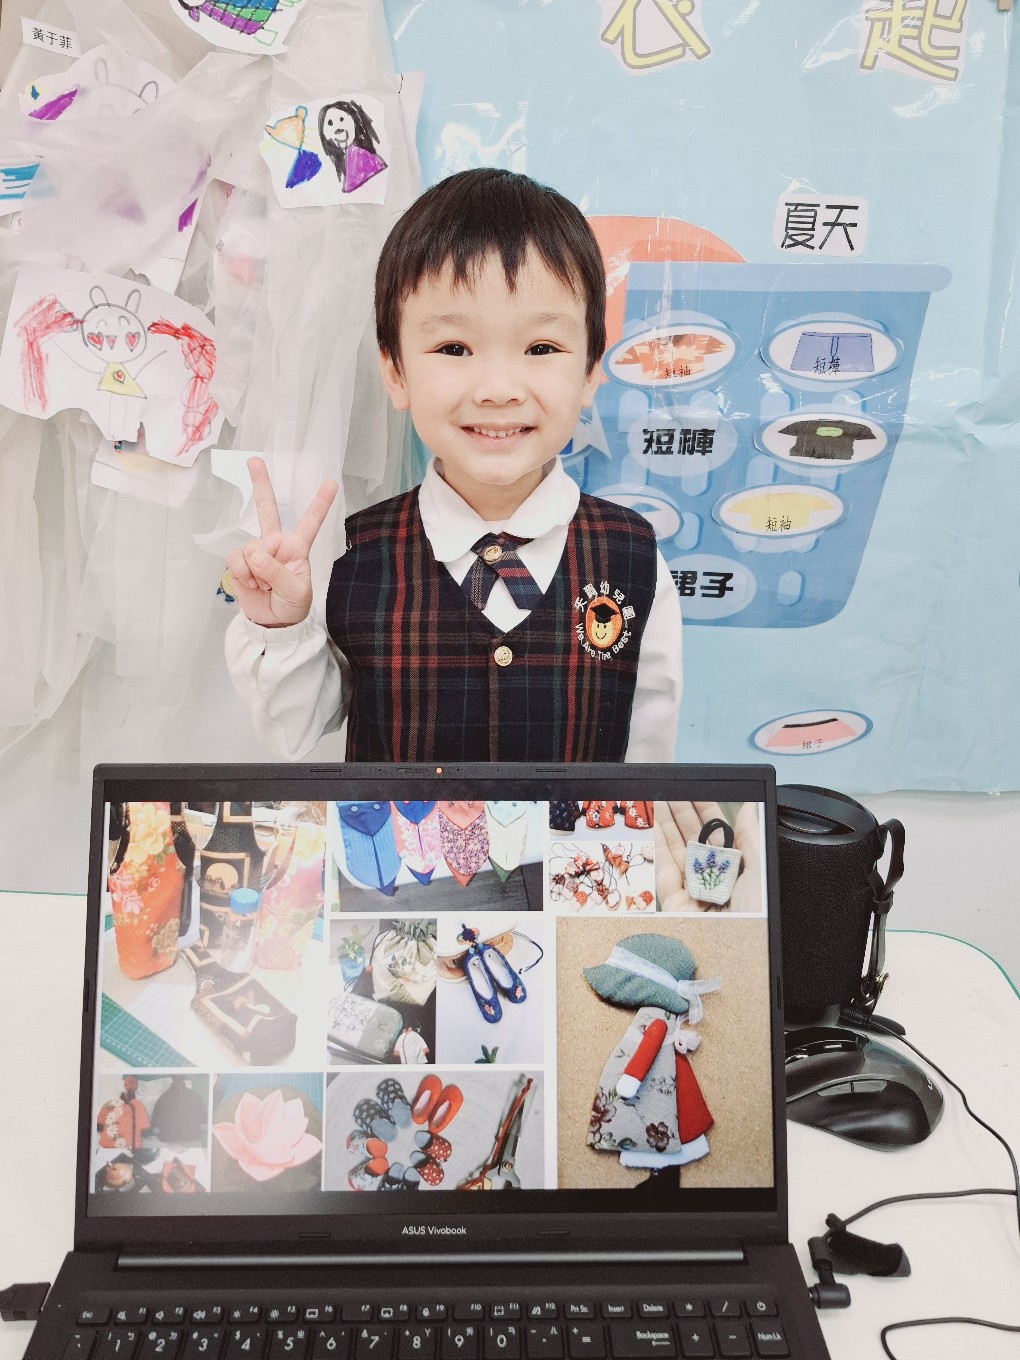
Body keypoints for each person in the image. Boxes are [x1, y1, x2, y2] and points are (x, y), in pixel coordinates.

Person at [225, 168, 682, 762]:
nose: (497, 389)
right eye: (454, 348)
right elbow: (296, 729)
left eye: (541, 347)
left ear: (591, 369)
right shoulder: (354, 555)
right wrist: (281, 628)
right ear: (396, 371)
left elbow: (650, 761)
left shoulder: (633, 555)